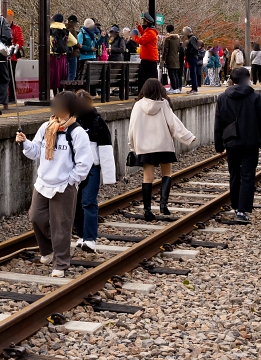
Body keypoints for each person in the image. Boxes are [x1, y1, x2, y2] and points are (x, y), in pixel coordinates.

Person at [15, 91, 92, 277]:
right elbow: (35, 152)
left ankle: (61, 264)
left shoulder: (77, 132)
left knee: (61, 225)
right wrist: (24, 142)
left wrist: (71, 180)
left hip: (64, 185)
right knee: (35, 216)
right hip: (43, 182)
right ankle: (48, 251)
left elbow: (85, 162)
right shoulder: (46, 127)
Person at [127, 78, 195, 221]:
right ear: (159, 89)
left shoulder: (138, 105)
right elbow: (174, 125)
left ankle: (147, 211)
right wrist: (188, 137)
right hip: (163, 146)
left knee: (147, 178)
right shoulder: (164, 104)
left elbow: (131, 129)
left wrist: (132, 146)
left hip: (145, 148)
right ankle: (163, 205)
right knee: (167, 174)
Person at [213, 66, 261, 223]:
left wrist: (219, 145)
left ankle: (236, 206)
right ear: (248, 79)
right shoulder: (255, 97)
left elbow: (218, 123)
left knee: (234, 174)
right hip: (250, 142)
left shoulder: (222, 98)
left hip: (231, 142)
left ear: (231, 80)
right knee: (247, 175)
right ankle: (242, 211)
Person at [72, 91, 116, 252]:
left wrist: (109, 176)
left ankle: (90, 238)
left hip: (92, 169)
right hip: (75, 169)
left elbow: (105, 149)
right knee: (75, 204)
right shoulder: (72, 122)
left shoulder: (98, 122)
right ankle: (82, 236)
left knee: (88, 202)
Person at [129, 14, 160, 90]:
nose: (142, 23)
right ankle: (143, 94)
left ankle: (149, 93)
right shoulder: (149, 32)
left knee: (149, 78)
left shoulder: (151, 32)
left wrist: (134, 37)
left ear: (147, 22)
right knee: (143, 78)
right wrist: (139, 27)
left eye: (143, 21)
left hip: (149, 58)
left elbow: (142, 40)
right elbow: (143, 34)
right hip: (147, 58)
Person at [49, 13, 73, 93]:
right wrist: (66, 44)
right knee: (62, 75)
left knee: (54, 75)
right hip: (62, 56)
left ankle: (55, 93)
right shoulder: (65, 31)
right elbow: (74, 42)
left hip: (52, 55)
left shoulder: (49, 30)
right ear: (62, 21)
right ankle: (61, 92)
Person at [6, 9, 24, 107]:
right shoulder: (1, 27)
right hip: (3, 56)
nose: (8, 18)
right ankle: (6, 95)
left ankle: (12, 96)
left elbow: (20, 41)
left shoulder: (17, 28)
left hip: (12, 56)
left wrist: (14, 47)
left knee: (11, 76)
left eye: (10, 16)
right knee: (5, 76)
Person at [163, 24, 182, 94]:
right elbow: (179, 48)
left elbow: (166, 49)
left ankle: (173, 87)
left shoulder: (168, 38)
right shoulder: (177, 38)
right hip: (176, 58)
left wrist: (163, 59)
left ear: (167, 30)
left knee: (171, 74)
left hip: (170, 58)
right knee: (175, 74)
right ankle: (176, 87)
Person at [66, 15, 81, 81]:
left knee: (67, 72)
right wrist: (79, 45)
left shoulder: (64, 29)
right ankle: (70, 89)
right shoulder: (72, 31)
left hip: (66, 53)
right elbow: (75, 42)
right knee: (72, 73)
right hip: (73, 53)